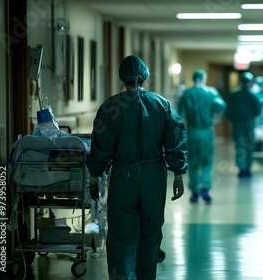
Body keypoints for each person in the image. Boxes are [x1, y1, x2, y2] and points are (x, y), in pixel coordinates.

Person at [87, 55, 188, 280]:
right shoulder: (162, 105)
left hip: (124, 176)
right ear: (144, 76)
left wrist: (94, 176)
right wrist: (178, 174)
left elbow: (100, 146)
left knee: (121, 233)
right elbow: (175, 140)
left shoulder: (111, 107)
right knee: (151, 232)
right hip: (154, 176)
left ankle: (121, 276)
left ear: (122, 78)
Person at [177, 69, 226, 204]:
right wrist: (213, 115)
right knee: (207, 161)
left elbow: (180, 115)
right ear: (205, 78)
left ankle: (194, 191)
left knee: (193, 162)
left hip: (192, 132)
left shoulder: (186, 94)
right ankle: (205, 189)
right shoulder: (211, 92)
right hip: (207, 131)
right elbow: (221, 106)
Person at [225, 71, 262, 178]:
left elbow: (227, 111)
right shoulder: (253, 95)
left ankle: (241, 169)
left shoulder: (234, 94)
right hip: (249, 123)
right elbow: (258, 109)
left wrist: (233, 119)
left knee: (239, 145)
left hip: (237, 124)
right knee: (249, 145)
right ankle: (248, 168)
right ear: (250, 82)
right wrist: (251, 116)